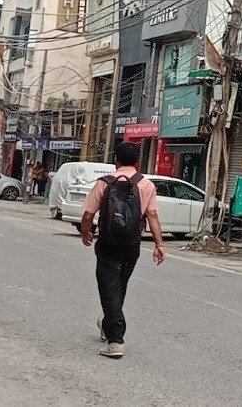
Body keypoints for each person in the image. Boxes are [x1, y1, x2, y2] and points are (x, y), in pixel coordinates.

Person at [80, 142, 165, 359]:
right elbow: (152, 216)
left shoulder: (104, 182)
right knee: (119, 285)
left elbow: (89, 214)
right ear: (137, 160)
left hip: (108, 243)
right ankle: (109, 322)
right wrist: (159, 244)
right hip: (131, 244)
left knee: (108, 286)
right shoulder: (146, 185)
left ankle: (116, 340)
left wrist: (85, 233)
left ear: (116, 159)